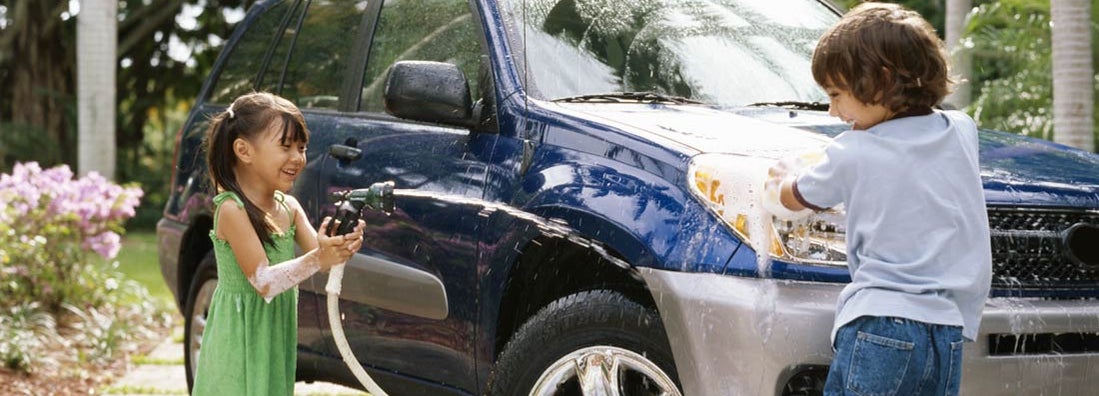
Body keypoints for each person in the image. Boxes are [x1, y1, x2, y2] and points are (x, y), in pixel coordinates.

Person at [762, 3, 992, 395]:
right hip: (948, 331)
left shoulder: (852, 151)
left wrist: (781, 179)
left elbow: (795, 197)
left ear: (881, 81)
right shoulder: (961, 131)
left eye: (836, 94)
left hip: (881, 325)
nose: (833, 110)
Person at [192, 92, 365, 395]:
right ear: (244, 151)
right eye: (285, 146)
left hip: (272, 335)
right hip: (238, 338)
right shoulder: (232, 210)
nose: (297, 158)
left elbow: (323, 259)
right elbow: (264, 282)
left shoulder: (289, 208)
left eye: (302, 147)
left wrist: (341, 246)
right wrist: (319, 259)